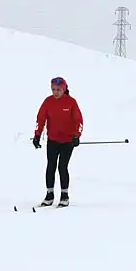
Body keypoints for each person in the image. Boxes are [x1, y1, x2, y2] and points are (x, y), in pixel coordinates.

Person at [33, 77, 83, 207]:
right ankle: (49, 195)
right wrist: (37, 135)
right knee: (50, 166)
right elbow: (41, 119)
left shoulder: (71, 102)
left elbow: (79, 120)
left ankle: (64, 195)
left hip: (68, 141)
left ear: (64, 89)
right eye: (53, 89)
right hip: (53, 140)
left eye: (59, 90)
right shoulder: (48, 102)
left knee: (62, 166)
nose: (56, 92)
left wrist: (77, 135)